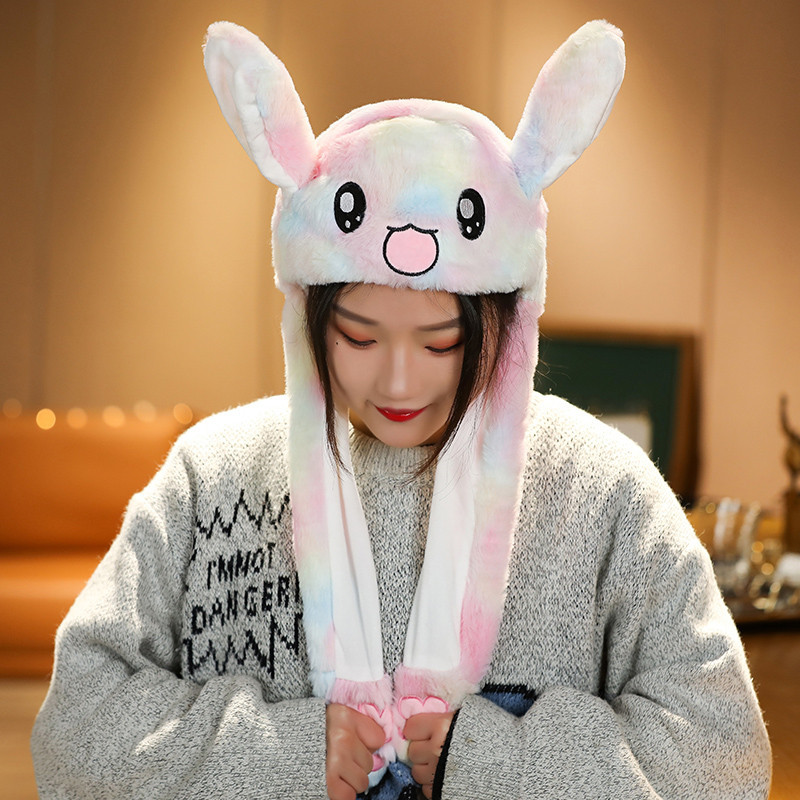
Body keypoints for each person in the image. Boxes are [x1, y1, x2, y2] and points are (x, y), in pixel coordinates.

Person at [31, 19, 771, 800]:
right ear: (306, 314)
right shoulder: (211, 476)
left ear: (507, 319)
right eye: (358, 336)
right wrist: (281, 755)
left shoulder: (604, 491)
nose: (398, 382)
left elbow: (725, 762)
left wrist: (492, 759)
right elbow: (73, 734)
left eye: (442, 342)